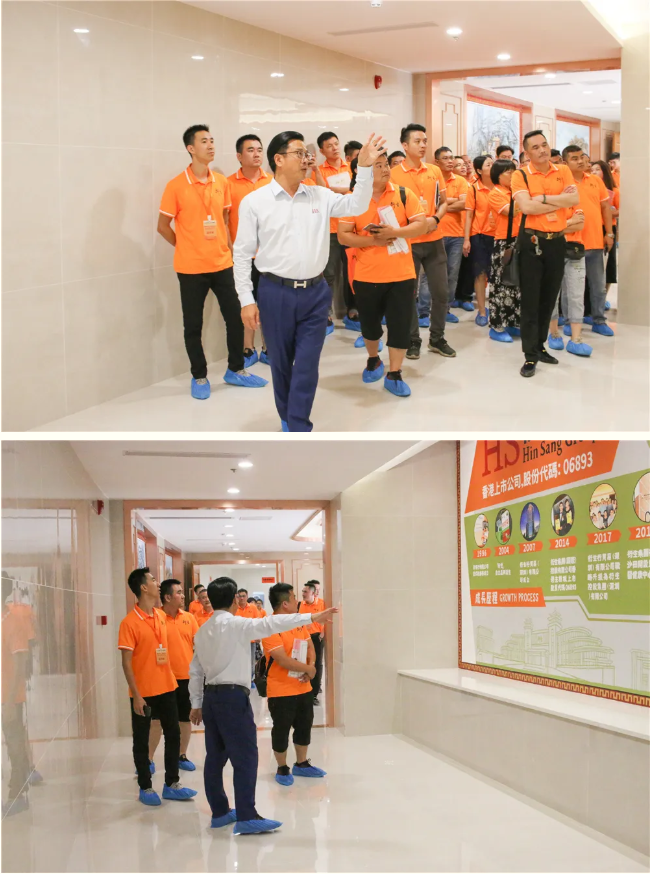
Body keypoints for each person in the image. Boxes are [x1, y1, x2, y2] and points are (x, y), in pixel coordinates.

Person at [233, 130, 385, 432]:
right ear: (278, 159)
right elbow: (241, 254)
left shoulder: (320, 195)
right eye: (299, 153)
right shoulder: (255, 202)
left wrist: (366, 168)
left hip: (315, 294)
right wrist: (247, 300)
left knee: (306, 363)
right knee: (281, 363)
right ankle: (288, 418)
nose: (306, 159)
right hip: (275, 292)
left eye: (306, 154)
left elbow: (356, 205)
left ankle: (299, 425)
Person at [188, 577, 338, 835]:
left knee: (215, 758)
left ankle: (220, 813)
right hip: (233, 698)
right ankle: (247, 816)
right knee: (246, 757)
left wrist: (196, 703)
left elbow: (195, 671)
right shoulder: (236, 624)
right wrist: (313, 617)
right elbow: (273, 623)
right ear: (234, 600)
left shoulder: (202, 631)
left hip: (211, 697)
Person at [158, 125, 268, 400]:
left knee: (236, 318)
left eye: (212, 141)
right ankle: (199, 375)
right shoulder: (176, 186)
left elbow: (226, 220)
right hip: (191, 268)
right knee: (193, 326)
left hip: (222, 264)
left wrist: (230, 250)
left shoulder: (221, 182)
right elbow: (162, 226)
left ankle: (236, 369)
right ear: (190, 148)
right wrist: (185, 246)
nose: (210, 146)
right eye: (204, 141)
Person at [338, 154, 426, 398]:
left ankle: (395, 373)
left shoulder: (404, 194)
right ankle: (373, 358)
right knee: (370, 326)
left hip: (402, 274)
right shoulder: (353, 200)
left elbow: (421, 224)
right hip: (366, 275)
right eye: (378, 165)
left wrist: (395, 231)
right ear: (362, 171)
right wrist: (373, 241)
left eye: (386, 164)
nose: (385, 169)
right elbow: (343, 235)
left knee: (400, 326)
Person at [118, 568, 197, 806]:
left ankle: (172, 783)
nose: (157, 583)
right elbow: (126, 663)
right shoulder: (129, 623)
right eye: (153, 580)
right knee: (141, 740)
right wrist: (136, 695)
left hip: (167, 687)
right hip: (143, 692)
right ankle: (145, 786)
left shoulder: (160, 616)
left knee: (173, 735)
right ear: (143, 587)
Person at [511, 130, 579, 377]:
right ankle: (530, 355)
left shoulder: (563, 170)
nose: (542, 150)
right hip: (532, 242)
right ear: (527, 153)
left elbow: (574, 199)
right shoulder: (520, 175)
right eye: (535, 147)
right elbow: (527, 207)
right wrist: (558, 200)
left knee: (549, 299)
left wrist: (542, 198)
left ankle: (540, 346)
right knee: (531, 301)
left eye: (545, 144)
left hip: (557, 242)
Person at [390, 123, 456, 361]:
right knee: (409, 294)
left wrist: (435, 219)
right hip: (408, 242)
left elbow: (444, 202)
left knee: (441, 292)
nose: (422, 145)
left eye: (425, 141)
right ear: (405, 145)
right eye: (417, 141)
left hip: (434, 239)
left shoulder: (434, 171)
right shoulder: (394, 174)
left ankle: (437, 338)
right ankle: (413, 340)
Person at [548, 144, 614, 344]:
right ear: (565, 163)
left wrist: (609, 233)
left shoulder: (595, 180)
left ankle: (599, 320)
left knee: (598, 286)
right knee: (569, 288)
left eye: (582, 157)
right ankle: (570, 322)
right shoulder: (562, 184)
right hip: (571, 242)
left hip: (594, 241)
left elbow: (605, 207)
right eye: (574, 158)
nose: (581, 161)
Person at [263, 583, 326, 787]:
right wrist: (309, 669)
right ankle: (282, 767)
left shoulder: (298, 623)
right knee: (281, 729)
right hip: (281, 690)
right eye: (293, 597)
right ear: (284, 603)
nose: (296, 600)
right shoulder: (270, 626)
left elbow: (310, 646)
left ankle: (301, 763)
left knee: (304, 726)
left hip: (303, 687)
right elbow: (281, 659)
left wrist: (311, 666)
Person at [227, 134, 273, 368]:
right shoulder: (228, 184)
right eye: (250, 150)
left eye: (259, 149)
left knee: (268, 304)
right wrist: (230, 249)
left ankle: (268, 348)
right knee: (246, 302)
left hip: (269, 256)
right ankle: (247, 348)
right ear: (239, 156)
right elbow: (224, 220)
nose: (256, 154)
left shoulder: (273, 182)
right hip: (243, 256)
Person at [149, 579, 199, 773]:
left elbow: (198, 645)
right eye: (179, 592)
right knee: (156, 721)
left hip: (186, 678)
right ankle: (148, 759)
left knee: (185, 719)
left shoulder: (189, 618)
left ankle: (181, 755)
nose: (183, 596)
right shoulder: (156, 617)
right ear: (168, 597)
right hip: (161, 678)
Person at [316, 131, 358, 331]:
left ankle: (353, 311)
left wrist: (333, 190)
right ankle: (326, 315)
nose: (334, 148)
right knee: (329, 274)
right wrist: (342, 191)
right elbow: (321, 193)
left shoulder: (350, 167)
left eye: (336, 143)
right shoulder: (318, 171)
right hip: (330, 230)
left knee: (352, 273)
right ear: (322, 150)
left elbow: (355, 191)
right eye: (329, 145)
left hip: (350, 227)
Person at [2, 576, 32, 817]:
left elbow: (20, 663)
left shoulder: (12, 623)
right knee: (12, 742)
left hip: (9, 697)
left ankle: (17, 794)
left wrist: (11, 701)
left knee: (14, 745)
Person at [487, 159, 522, 342]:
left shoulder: (514, 192)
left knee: (517, 285)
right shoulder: (495, 193)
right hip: (503, 243)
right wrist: (524, 197)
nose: (512, 175)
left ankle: (513, 323)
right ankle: (496, 326)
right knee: (500, 285)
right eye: (508, 172)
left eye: (514, 171)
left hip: (520, 240)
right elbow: (512, 211)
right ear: (498, 175)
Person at [434, 147, 470, 318]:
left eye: (451, 158)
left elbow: (465, 203)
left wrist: (442, 205)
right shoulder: (433, 180)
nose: (450, 161)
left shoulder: (461, 181)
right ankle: (427, 310)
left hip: (457, 235)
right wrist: (452, 201)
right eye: (446, 158)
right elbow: (430, 203)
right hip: (436, 232)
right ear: (437, 162)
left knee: (452, 273)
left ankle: (446, 309)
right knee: (433, 274)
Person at [463, 155, 495, 327]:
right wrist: (466, 239)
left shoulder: (501, 187)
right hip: (479, 235)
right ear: (479, 170)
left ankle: (497, 310)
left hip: (498, 235)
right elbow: (469, 216)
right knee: (480, 273)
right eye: (488, 165)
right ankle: (482, 311)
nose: (492, 166)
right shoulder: (474, 189)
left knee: (497, 275)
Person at [590, 159, 619, 294]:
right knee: (594, 263)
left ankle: (603, 296)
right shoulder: (589, 188)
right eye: (592, 170)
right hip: (593, 227)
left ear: (605, 172)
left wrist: (607, 211)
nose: (594, 172)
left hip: (608, 228)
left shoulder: (614, 191)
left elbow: (620, 209)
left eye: (597, 169)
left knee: (609, 264)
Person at [298, 582, 325, 705]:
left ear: (313, 593)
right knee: (302, 663)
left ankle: (314, 694)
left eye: (306, 592)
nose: (303, 594)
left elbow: (326, 620)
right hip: (303, 638)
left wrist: (322, 634)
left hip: (316, 638)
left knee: (316, 664)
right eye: (303, 591)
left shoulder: (321, 603)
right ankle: (304, 691)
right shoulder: (300, 605)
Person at [236, 588, 260, 685]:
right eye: (240, 596)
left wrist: (258, 635)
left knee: (250, 662)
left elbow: (257, 622)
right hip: (238, 641)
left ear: (247, 596)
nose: (241, 598)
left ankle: (249, 680)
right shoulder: (234, 608)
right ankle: (240, 681)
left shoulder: (253, 608)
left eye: (243, 596)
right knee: (239, 661)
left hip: (251, 640)